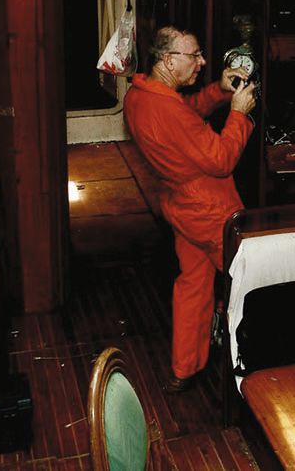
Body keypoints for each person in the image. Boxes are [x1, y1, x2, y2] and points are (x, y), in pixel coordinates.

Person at [124, 24, 257, 391]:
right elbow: (221, 159)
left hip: (180, 207)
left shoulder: (140, 95)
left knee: (193, 286)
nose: (202, 62)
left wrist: (217, 89)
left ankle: (184, 368)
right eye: (194, 55)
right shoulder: (166, 110)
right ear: (168, 60)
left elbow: (187, 114)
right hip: (211, 212)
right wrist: (239, 113)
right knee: (248, 283)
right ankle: (256, 371)